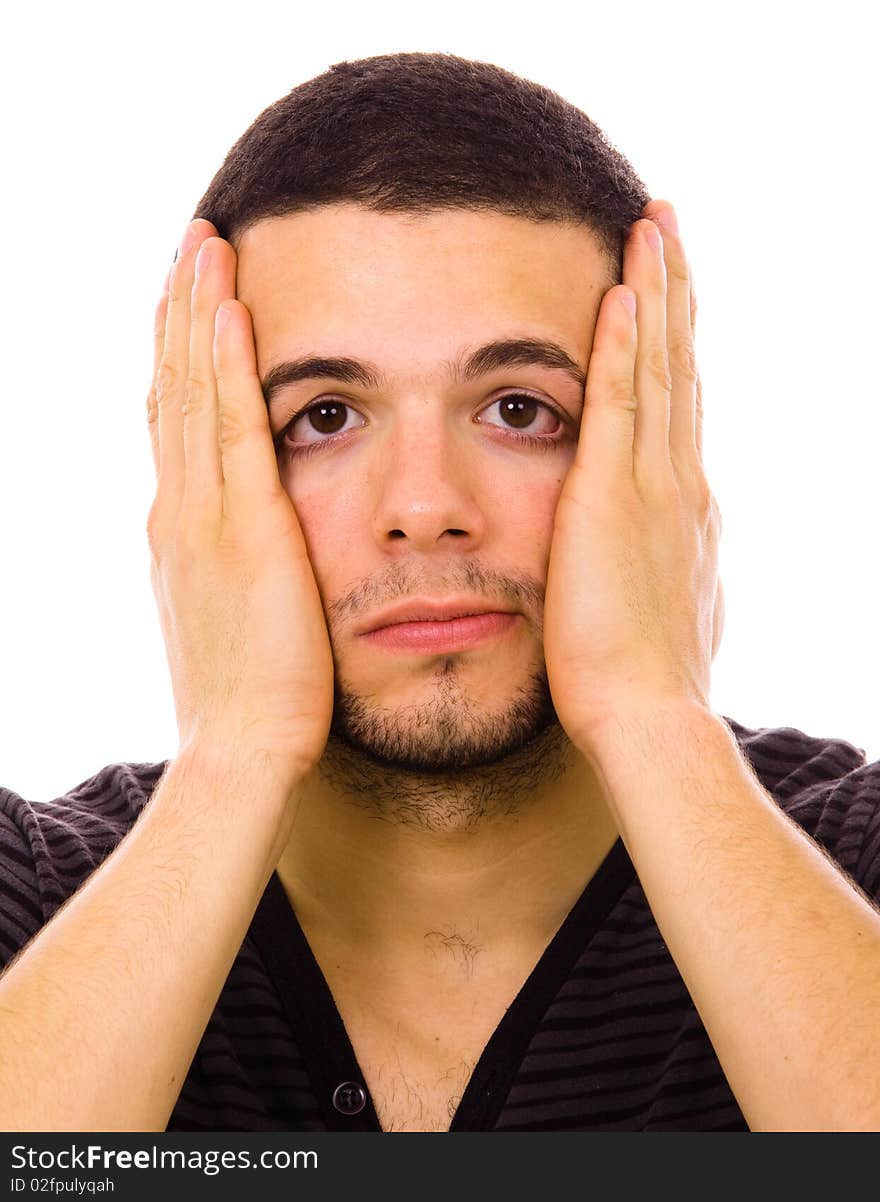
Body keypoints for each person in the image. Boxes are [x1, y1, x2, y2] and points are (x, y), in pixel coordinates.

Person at [1, 52, 879, 1135]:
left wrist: (657, 721)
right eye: (322, 416)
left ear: (653, 445)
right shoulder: (35, 893)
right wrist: (232, 751)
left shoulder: (855, 856)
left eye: (517, 408)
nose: (423, 505)